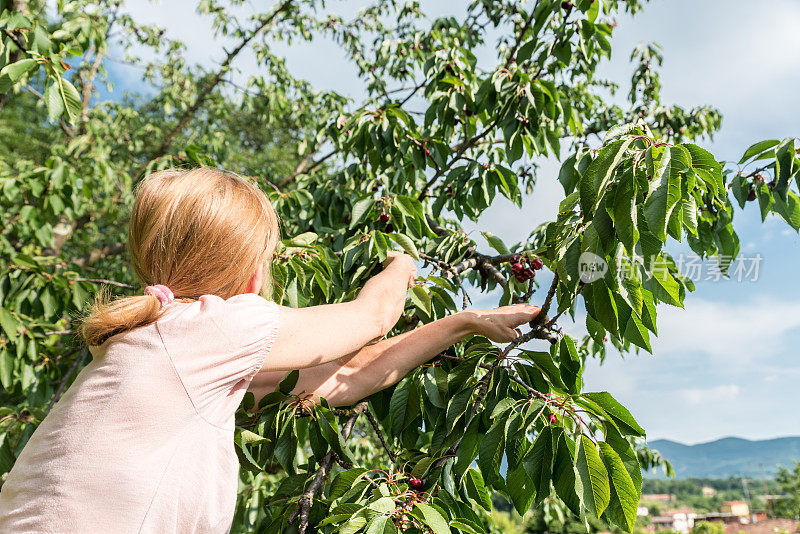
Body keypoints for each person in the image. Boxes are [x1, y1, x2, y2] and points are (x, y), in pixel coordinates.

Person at [0, 167, 540, 532]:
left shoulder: (158, 344)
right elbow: (372, 317)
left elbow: (346, 377)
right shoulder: (209, 327)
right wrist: (403, 262)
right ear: (252, 271)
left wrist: (462, 323)